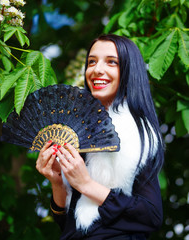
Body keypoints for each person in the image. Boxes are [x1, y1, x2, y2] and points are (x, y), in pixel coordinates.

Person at [36, 34, 164, 240]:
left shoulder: (137, 134)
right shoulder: (79, 130)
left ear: (129, 72)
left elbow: (152, 215)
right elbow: (69, 224)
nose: (97, 70)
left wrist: (87, 184)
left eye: (111, 62)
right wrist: (57, 182)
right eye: (92, 62)